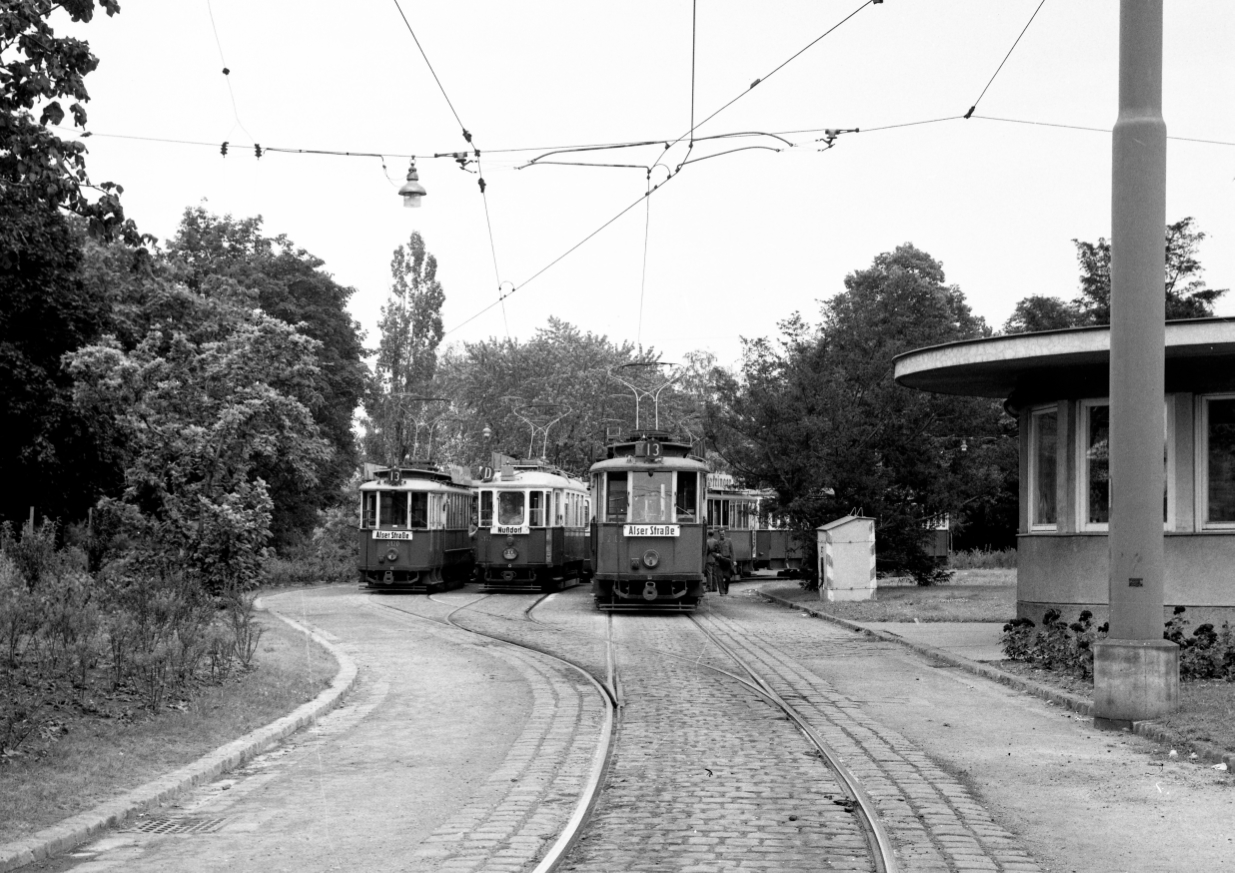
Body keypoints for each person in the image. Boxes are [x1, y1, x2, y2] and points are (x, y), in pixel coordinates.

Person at [716, 529, 734, 596]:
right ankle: (722, 591)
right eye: (721, 534)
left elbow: (732, 551)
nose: (722, 535)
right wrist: (717, 555)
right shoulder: (717, 542)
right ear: (719, 534)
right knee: (720, 576)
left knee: (728, 576)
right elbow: (714, 552)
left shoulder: (729, 541)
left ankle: (726, 588)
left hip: (727, 560)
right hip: (720, 561)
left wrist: (734, 561)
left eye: (723, 534)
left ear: (725, 533)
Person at [705, 528, 720, 593]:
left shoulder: (707, 541)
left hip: (709, 558)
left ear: (708, 534)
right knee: (714, 574)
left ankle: (709, 587)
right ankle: (715, 588)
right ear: (713, 534)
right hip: (715, 558)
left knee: (709, 573)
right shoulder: (716, 541)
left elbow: (706, 551)